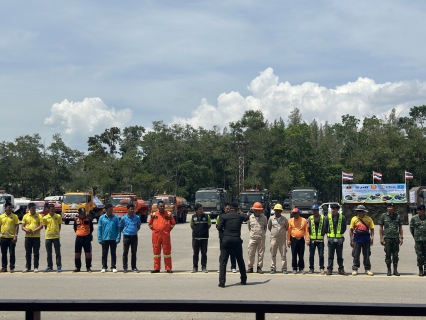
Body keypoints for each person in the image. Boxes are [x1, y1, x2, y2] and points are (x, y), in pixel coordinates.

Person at [217, 202, 250, 287]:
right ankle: (243, 280)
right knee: (240, 260)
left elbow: (219, 227)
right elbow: (246, 217)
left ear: (229, 208)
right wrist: (248, 214)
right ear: (236, 208)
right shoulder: (239, 216)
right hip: (236, 240)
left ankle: (222, 282)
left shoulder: (224, 216)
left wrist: (224, 233)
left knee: (223, 261)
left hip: (226, 240)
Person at [149, 200, 176, 273]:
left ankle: (168, 268)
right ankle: (156, 268)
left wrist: (167, 230)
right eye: (160, 206)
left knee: (167, 252)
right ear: (157, 207)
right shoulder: (154, 214)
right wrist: (155, 230)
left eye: (163, 206)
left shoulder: (169, 214)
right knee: (156, 252)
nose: (162, 207)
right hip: (156, 236)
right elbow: (150, 224)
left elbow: (173, 223)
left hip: (165, 235)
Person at [350, 205, 374, 276]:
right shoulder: (354, 219)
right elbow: (351, 230)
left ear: (364, 212)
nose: (359, 213)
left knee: (366, 255)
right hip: (357, 239)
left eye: (360, 211)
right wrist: (351, 239)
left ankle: (367, 269)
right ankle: (355, 269)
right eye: (358, 211)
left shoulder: (369, 219)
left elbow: (372, 228)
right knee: (356, 255)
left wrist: (372, 237)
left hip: (366, 239)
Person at [379, 202, 403, 276]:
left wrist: (401, 237)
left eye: (391, 207)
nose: (390, 208)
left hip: (395, 238)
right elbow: (381, 227)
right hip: (387, 238)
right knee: (388, 254)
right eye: (388, 207)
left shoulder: (397, 216)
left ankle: (395, 270)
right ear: (387, 208)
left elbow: (400, 227)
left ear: (394, 208)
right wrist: (381, 238)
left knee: (395, 255)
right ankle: (388, 270)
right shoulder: (383, 216)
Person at [324, 203, 347, 275]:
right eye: (332, 209)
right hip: (331, 239)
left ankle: (341, 269)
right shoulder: (327, 217)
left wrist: (339, 234)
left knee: (339, 255)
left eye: (334, 209)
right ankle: (329, 269)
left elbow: (344, 228)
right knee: (330, 256)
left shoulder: (342, 217)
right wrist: (329, 235)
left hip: (339, 240)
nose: (333, 210)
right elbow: (325, 227)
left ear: (338, 210)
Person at [98, 203, 121, 273]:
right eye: (110, 210)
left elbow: (118, 229)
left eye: (112, 209)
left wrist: (118, 238)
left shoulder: (115, 218)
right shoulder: (102, 218)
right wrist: (100, 238)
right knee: (104, 253)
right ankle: (104, 266)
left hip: (113, 238)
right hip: (104, 239)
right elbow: (99, 229)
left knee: (113, 253)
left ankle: (113, 267)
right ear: (106, 210)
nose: (111, 211)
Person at [21, 202, 43, 273]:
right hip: (28, 237)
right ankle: (28, 267)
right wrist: (28, 230)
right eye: (32, 208)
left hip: (36, 237)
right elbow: (22, 227)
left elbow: (41, 226)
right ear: (29, 209)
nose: (33, 209)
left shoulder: (39, 216)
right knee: (28, 253)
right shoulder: (25, 216)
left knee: (36, 253)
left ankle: (36, 267)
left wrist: (34, 231)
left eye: (34, 208)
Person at [247, 202, 267, 274]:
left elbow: (265, 227)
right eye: (256, 210)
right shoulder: (250, 217)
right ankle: (250, 267)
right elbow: (249, 227)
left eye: (259, 210)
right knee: (251, 253)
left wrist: (262, 234)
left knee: (261, 253)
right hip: (252, 238)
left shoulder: (264, 218)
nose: (258, 211)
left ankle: (259, 267)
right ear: (254, 210)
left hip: (261, 238)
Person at [120, 203, 141, 273]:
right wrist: (126, 232)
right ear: (127, 209)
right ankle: (125, 267)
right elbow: (121, 227)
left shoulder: (137, 217)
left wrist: (133, 231)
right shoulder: (123, 218)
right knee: (125, 252)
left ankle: (134, 267)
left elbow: (138, 227)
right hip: (126, 237)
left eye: (133, 209)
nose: (132, 210)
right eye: (131, 209)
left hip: (134, 237)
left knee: (134, 253)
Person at [190, 203, 211, 273]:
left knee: (204, 253)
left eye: (202, 209)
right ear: (196, 210)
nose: (201, 210)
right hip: (195, 238)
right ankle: (195, 267)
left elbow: (209, 225)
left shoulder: (206, 216)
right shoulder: (193, 217)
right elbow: (192, 226)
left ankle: (204, 267)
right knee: (195, 254)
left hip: (204, 238)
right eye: (199, 209)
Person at [267, 203, 288, 274]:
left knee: (283, 254)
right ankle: (273, 267)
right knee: (273, 253)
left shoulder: (284, 219)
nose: (277, 212)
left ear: (281, 211)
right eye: (276, 210)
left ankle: (284, 268)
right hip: (274, 239)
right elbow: (269, 227)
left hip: (282, 239)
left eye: (279, 210)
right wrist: (274, 233)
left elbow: (286, 227)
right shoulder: (271, 218)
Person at [216, 203, 237, 273]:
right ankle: (221, 267)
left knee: (232, 252)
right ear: (223, 209)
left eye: (229, 209)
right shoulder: (220, 217)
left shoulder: (232, 216)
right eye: (226, 209)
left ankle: (233, 267)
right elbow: (218, 226)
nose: (228, 210)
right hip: (223, 237)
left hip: (231, 237)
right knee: (223, 253)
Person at [287, 208, 309, 274]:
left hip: (301, 239)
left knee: (301, 255)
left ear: (299, 213)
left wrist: (307, 239)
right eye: (293, 213)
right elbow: (288, 232)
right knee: (294, 254)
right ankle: (294, 268)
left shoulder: (303, 220)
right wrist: (288, 240)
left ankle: (301, 268)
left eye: (295, 213)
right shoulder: (290, 221)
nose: (294, 215)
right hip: (293, 239)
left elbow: (306, 231)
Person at [0, 202, 19, 273]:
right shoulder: (1, 216)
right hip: (3, 238)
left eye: (11, 207)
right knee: (3, 253)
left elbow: (17, 226)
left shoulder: (15, 216)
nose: (10, 209)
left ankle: (12, 267)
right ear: (5, 208)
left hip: (11, 238)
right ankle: (4, 267)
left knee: (12, 253)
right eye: (9, 207)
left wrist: (15, 236)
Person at [43, 203, 62, 272]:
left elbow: (59, 225)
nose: (53, 210)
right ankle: (49, 266)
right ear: (48, 210)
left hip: (56, 237)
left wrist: (57, 232)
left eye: (54, 209)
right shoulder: (45, 218)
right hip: (48, 237)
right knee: (49, 253)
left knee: (58, 252)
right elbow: (45, 227)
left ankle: (59, 266)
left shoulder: (58, 216)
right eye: (51, 209)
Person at [307, 204, 326, 274]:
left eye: (315, 210)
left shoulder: (323, 218)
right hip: (312, 240)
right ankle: (311, 268)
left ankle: (321, 268)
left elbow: (325, 227)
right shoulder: (310, 218)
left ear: (318, 210)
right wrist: (309, 237)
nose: (314, 212)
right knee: (311, 255)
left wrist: (323, 234)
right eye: (313, 210)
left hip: (320, 240)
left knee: (321, 255)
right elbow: (308, 228)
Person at [73, 208, 94, 273]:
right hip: (79, 238)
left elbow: (91, 228)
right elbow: (75, 228)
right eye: (82, 213)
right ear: (78, 214)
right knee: (77, 254)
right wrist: (79, 233)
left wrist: (88, 234)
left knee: (88, 254)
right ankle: (78, 267)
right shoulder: (76, 220)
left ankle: (88, 267)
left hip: (86, 238)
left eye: (84, 213)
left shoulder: (89, 219)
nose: (83, 214)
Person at [410, 204, 426, 276]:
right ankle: (420, 269)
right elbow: (412, 229)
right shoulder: (414, 218)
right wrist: (415, 236)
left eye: (420, 210)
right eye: (418, 210)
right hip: (418, 240)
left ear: (424, 211)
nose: (419, 211)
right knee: (419, 255)